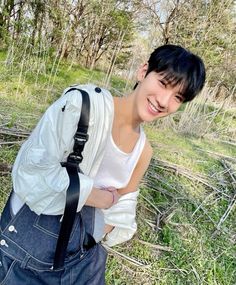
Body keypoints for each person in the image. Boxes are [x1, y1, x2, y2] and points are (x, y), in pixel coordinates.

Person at [0, 44, 205, 284]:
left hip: (84, 261)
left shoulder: (143, 151)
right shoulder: (83, 106)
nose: (164, 101)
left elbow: (122, 209)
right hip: (28, 250)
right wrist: (98, 197)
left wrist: (91, 235)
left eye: (177, 97)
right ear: (143, 72)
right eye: (163, 83)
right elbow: (31, 171)